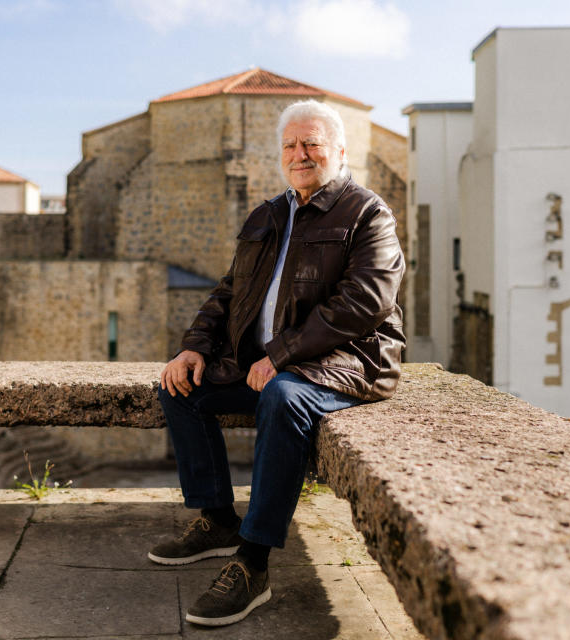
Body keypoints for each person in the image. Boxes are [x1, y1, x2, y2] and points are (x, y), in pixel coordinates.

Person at [150, 99, 405, 627]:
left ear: (338, 150)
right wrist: (194, 345)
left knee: (284, 397)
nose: (300, 154)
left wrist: (281, 355)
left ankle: (253, 561)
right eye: (290, 145)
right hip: (266, 362)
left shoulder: (368, 213)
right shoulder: (267, 214)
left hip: (347, 363)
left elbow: (365, 302)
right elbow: (228, 291)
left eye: (311, 143)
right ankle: (217, 518)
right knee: (180, 387)